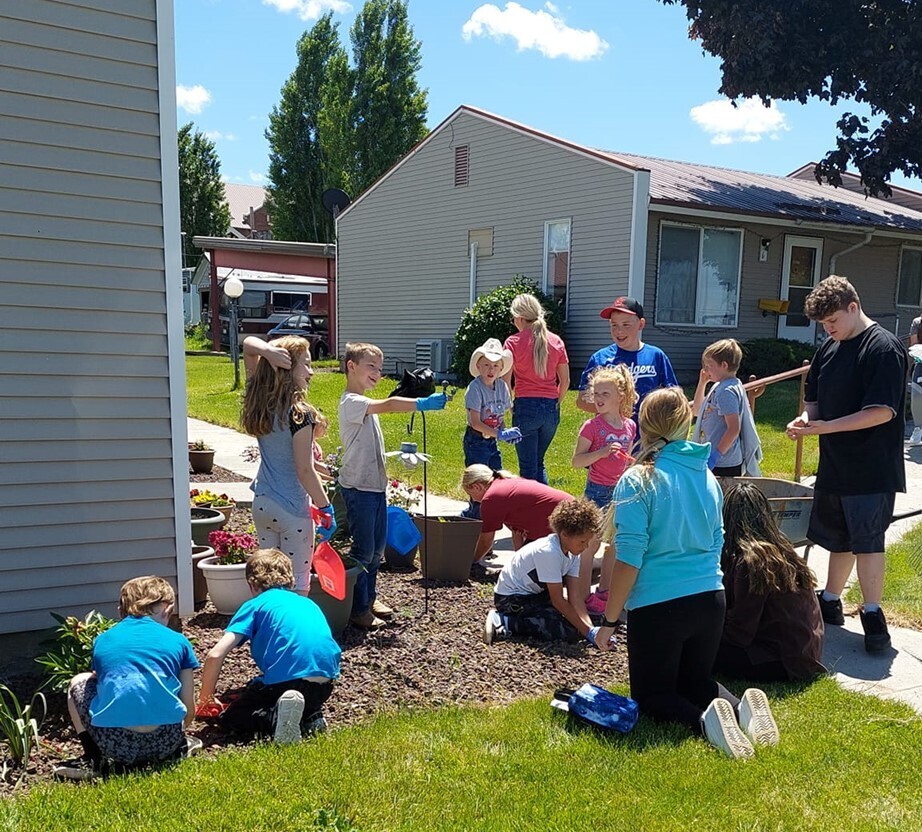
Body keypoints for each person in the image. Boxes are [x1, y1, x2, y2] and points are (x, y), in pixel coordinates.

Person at [593, 388, 779, 759]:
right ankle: (742, 708)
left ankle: (704, 723)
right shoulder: (706, 477)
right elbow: (717, 541)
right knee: (695, 681)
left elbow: (629, 559)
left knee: (652, 697)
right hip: (711, 598)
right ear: (686, 423)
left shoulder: (637, 480)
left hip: (660, 605)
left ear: (642, 426)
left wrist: (609, 620)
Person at [786, 275, 908, 653]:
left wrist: (827, 427)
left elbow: (881, 412)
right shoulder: (830, 347)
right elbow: (814, 396)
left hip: (872, 467)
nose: (828, 329)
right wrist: (806, 421)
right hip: (835, 465)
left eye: (832, 321)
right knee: (837, 538)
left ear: (853, 307)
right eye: (823, 325)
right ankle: (830, 600)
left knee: (868, 541)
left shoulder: (883, 349)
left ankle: (872, 614)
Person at [339, 342, 446, 629]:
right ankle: (359, 609)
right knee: (363, 551)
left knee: (375, 551)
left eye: (380, 367)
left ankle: (369, 597)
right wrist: (420, 404)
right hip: (358, 489)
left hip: (373, 488)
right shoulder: (351, 402)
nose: (378, 372)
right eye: (371, 366)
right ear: (351, 366)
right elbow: (387, 405)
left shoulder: (363, 403)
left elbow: (384, 405)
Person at [54, 577, 199, 780]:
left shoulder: (103, 640)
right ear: (167, 610)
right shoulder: (179, 641)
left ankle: (93, 758)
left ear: (121, 610)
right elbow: (189, 707)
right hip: (166, 740)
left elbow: (101, 682)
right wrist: (179, 732)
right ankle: (178, 750)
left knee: (79, 680)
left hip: (115, 744)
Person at [197, 549, 341, 743]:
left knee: (233, 716)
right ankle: (310, 714)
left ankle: (274, 720)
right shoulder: (308, 603)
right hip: (325, 685)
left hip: (288, 683)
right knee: (267, 687)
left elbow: (215, 655)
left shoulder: (255, 605)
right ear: (289, 580)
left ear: (252, 583)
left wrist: (205, 698)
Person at [241, 335, 335, 595]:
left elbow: (248, 345)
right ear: (286, 367)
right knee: (297, 588)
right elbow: (303, 469)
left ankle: (265, 631)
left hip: (263, 503)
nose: (311, 372)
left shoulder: (259, 401)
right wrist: (326, 507)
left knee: (267, 584)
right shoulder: (299, 413)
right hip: (292, 510)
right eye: (305, 364)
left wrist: (267, 352)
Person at [715, 482, 826, 682]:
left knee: (694, 651)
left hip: (781, 660)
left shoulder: (750, 562)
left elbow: (739, 634)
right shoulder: (781, 547)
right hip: (804, 653)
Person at [484, 500, 602, 644]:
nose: (586, 546)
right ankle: (503, 621)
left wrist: (590, 629)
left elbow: (575, 597)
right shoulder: (549, 552)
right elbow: (558, 600)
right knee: (564, 631)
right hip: (511, 599)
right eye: (583, 542)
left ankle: (516, 621)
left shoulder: (573, 553)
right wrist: (588, 633)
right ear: (565, 534)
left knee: (574, 626)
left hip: (535, 596)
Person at [571, 364, 637, 614]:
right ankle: (583, 592)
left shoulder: (629, 426)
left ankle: (605, 592)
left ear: (621, 395)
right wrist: (600, 453)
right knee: (590, 545)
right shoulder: (592, 427)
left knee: (614, 545)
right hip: (596, 491)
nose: (598, 399)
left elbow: (626, 457)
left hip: (619, 492)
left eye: (604, 394)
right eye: (596, 394)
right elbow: (577, 461)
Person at [503, 293, 570, 483]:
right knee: (539, 463)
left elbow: (506, 381)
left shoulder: (512, 342)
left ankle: (529, 510)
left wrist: (510, 406)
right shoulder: (556, 341)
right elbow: (564, 381)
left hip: (525, 405)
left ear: (520, 318)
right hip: (550, 408)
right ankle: (545, 507)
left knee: (527, 468)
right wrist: (556, 402)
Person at [577, 297, 677, 423]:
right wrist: (614, 408)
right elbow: (581, 400)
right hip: (611, 436)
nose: (619, 331)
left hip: (649, 435)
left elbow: (673, 396)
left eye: (626, 325)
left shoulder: (656, 356)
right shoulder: (600, 358)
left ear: (641, 324)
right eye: (614, 325)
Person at [461, 465, 574, 565]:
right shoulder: (505, 482)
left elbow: (486, 542)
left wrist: (470, 562)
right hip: (572, 511)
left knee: (532, 571)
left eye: (470, 494)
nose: (473, 500)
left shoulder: (491, 499)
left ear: (477, 487)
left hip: (566, 522)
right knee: (524, 564)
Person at [692, 338, 762, 477]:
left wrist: (715, 456)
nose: (706, 369)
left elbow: (734, 429)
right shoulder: (720, 385)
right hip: (714, 459)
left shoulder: (726, 391)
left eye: (709, 365)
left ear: (723, 365)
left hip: (723, 463)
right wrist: (702, 383)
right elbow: (696, 411)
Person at [464, 337, 521, 471]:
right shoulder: (475, 388)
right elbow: (475, 423)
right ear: (478, 366)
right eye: (486, 365)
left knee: (497, 474)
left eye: (495, 366)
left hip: (492, 439)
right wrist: (500, 434)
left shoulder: (502, 387)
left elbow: (500, 416)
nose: (491, 370)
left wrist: (505, 431)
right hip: (476, 440)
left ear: (501, 368)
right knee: (479, 478)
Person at [306, 404, 333, 482]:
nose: (325, 429)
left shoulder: (317, 447)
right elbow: (313, 467)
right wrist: (331, 478)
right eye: (323, 426)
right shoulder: (307, 446)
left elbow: (320, 465)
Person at [908, 310, 922, 446]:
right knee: (917, 397)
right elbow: (914, 345)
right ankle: (918, 429)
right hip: (921, 363)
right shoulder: (917, 322)